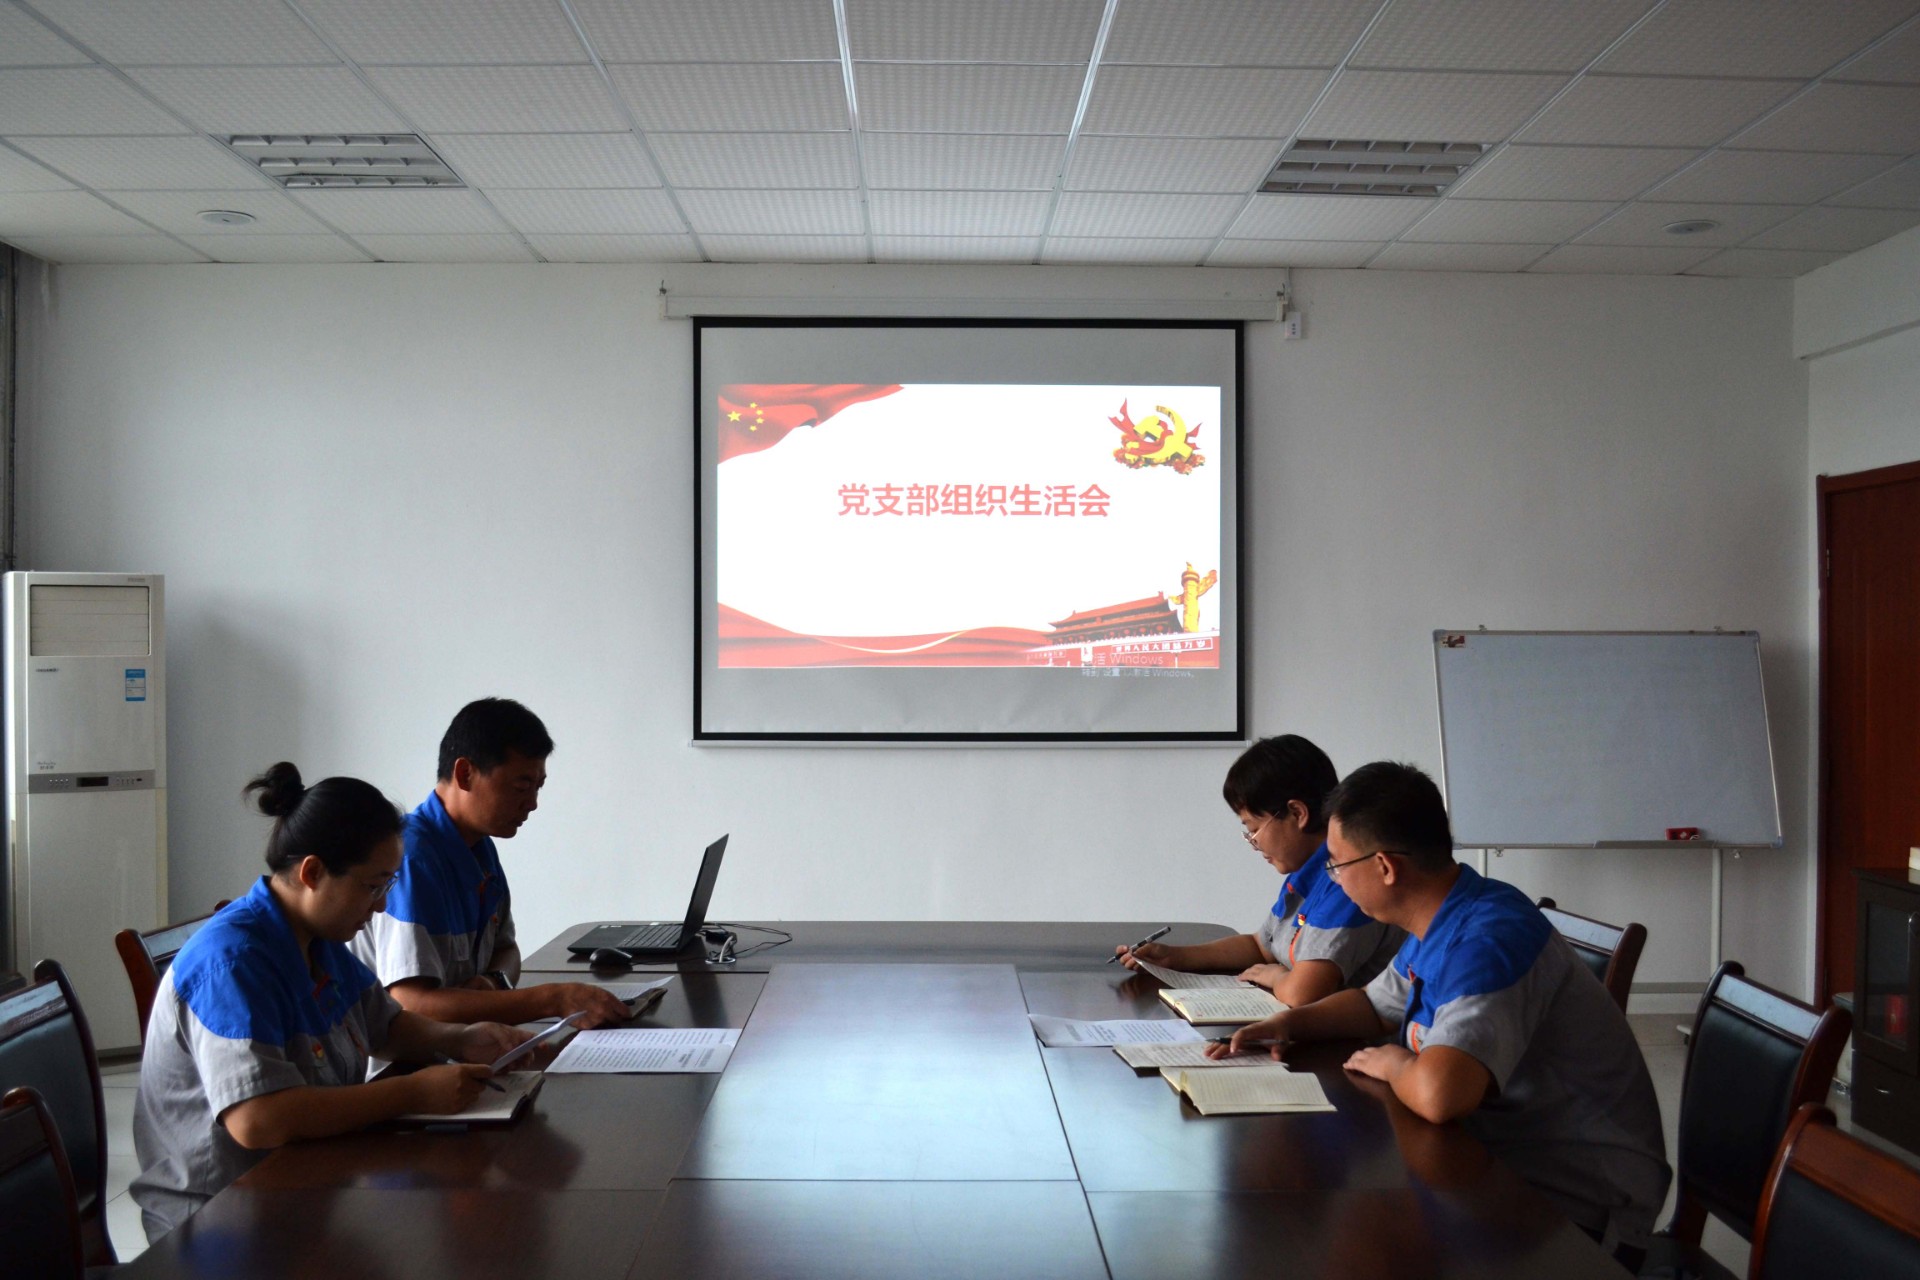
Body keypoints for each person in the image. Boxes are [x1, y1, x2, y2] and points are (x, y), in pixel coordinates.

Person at [1212, 761, 1670, 1261]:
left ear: (1385, 867)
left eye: (1337, 865)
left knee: (1350, 1246)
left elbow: (1440, 1094)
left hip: (1575, 1202)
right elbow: (1373, 1004)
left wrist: (1394, 1063)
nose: (1334, 880)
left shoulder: (1489, 939)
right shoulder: (1446, 911)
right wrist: (1287, 1024)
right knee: (1350, 1230)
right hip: (1497, 1154)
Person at [131, 763, 532, 1240]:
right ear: (313, 872)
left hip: (302, 1183)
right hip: (221, 1223)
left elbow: (386, 1025)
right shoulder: (232, 963)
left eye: (387, 886)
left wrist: (462, 1039)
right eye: (372, 886)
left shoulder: (316, 938)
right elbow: (258, 1120)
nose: (381, 905)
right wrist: (413, 1093)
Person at [351, 698, 626, 1028]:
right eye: (521, 786)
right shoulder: (413, 859)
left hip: (467, 1044)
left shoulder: (480, 848)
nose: (532, 803)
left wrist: (492, 981)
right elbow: (413, 1005)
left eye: (538, 787)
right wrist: (553, 999)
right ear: (465, 774)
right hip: (412, 1056)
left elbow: (507, 951)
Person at [1117, 734, 1404, 1007]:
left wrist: (1277, 976)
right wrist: (1174, 957)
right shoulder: (1305, 875)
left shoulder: (1347, 882)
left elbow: (1303, 994)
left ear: (1298, 813)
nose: (1254, 843)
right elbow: (1262, 946)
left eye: (1254, 829)